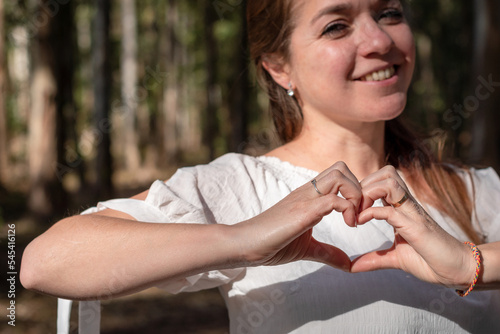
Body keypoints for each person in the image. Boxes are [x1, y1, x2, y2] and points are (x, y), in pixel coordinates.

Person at [21, 0, 500, 333]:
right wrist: (243, 240)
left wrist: (468, 263)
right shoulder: (242, 187)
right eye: (336, 25)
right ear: (278, 67)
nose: (379, 39)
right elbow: (45, 262)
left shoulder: (478, 192)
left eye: (389, 13)